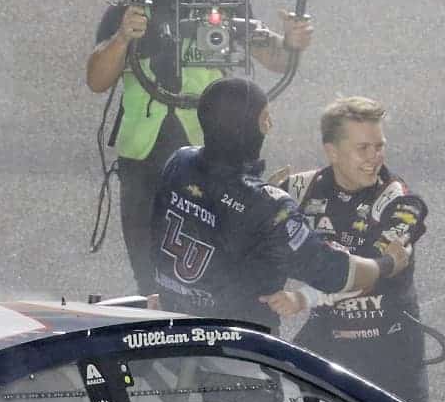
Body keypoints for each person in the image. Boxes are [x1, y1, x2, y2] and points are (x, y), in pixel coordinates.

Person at [89, 0, 313, 293]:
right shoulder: (124, 10)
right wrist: (124, 36)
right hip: (144, 157)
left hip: (212, 152)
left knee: (221, 264)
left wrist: (291, 42)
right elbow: (96, 79)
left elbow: (274, 56)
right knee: (149, 271)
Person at [151, 78, 406, 331]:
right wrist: (384, 265)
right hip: (237, 346)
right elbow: (331, 271)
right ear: (246, 127)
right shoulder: (268, 206)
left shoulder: (179, 161)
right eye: (264, 119)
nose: (269, 126)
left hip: (173, 329)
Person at [270, 97, 431, 402]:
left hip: (389, 349)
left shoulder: (401, 201)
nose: (375, 157)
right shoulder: (298, 189)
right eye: (363, 148)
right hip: (327, 338)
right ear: (332, 151)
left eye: (379, 146)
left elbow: (370, 272)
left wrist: (303, 298)